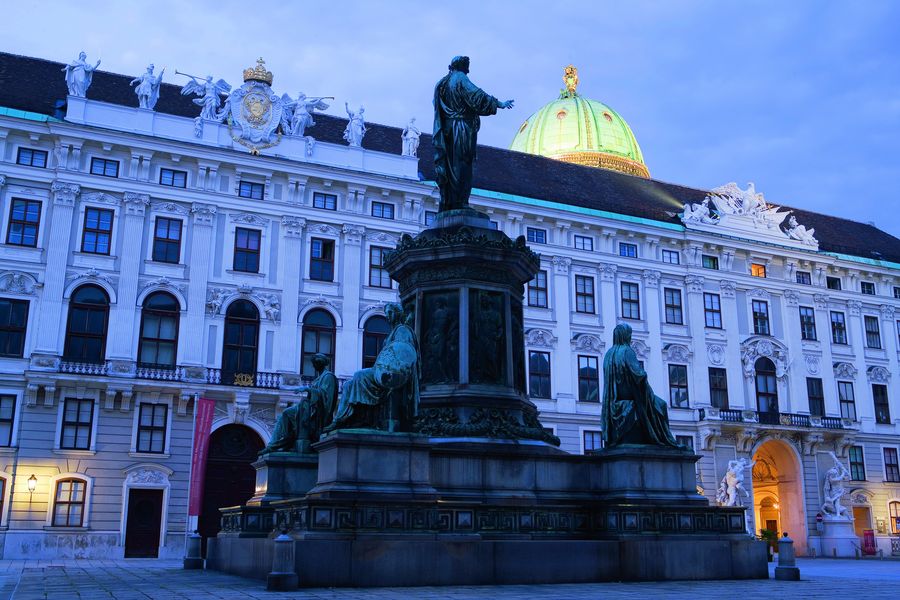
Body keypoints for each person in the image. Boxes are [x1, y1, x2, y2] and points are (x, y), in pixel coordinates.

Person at [433, 56, 514, 212]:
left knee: (450, 165)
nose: (468, 69)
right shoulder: (460, 78)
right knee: (462, 164)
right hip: (461, 128)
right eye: (467, 65)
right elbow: (477, 95)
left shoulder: (442, 83)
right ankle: (460, 201)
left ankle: (449, 201)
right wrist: (499, 104)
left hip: (447, 130)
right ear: (463, 65)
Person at [326, 303, 418, 431]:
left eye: (390, 313)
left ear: (398, 313)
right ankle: (347, 419)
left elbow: (403, 354)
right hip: (382, 371)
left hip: (393, 373)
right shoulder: (393, 332)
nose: (388, 316)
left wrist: (392, 369)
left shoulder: (402, 330)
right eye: (387, 313)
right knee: (348, 385)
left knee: (359, 375)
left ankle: (354, 419)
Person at [601, 323, 678, 447]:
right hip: (632, 394)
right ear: (625, 336)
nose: (630, 338)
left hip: (614, 396)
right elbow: (639, 375)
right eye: (629, 335)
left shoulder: (608, 354)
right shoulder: (627, 351)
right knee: (661, 405)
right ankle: (663, 440)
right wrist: (644, 375)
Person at [259, 353, 338, 454]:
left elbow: (327, 397)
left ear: (320, 363)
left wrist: (307, 389)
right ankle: (278, 444)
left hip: (318, 413)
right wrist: (310, 392)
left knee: (289, 412)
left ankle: (278, 444)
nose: (313, 366)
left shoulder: (328, 377)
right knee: (287, 413)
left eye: (315, 364)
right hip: (310, 409)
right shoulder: (319, 378)